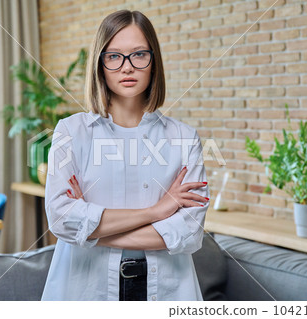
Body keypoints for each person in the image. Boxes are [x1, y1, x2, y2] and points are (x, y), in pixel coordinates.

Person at [41, 10, 209, 301]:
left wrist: (91, 231)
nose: (127, 67)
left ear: (153, 62)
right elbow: (60, 219)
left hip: (165, 289)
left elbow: (189, 234)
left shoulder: (184, 137)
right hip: (87, 289)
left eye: (139, 55)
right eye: (114, 56)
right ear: (101, 64)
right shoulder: (71, 131)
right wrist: (155, 213)